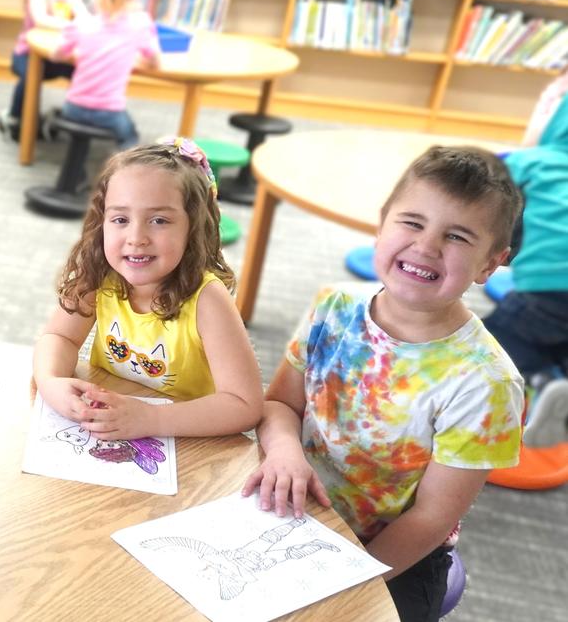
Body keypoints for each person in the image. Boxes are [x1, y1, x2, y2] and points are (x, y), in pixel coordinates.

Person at [243, 146, 525, 622]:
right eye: (412, 223)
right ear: (382, 223)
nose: (426, 246)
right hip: (292, 507)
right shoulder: (332, 305)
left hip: (393, 553)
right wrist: (285, 451)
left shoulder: (487, 382)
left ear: (489, 264)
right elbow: (279, 407)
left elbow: (431, 518)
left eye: (456, 236)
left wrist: (340, 581)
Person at [33, 139, 263, 439]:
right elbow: (59, 336)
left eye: (159, 220)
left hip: (187, 440)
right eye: (120, 219)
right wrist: (50, 381)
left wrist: (152, 419)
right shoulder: (101, 274)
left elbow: (245, 405)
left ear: (193, 228)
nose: (136, 237)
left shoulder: (209, 300)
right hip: (113, 422)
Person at [481, 69, 568, 448]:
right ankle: (556, 384)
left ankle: (481, 422)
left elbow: (497, 211)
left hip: (549, 287)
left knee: (494, 352)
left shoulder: (534, 162)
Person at [53, 0, 159, 149]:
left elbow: (57, 54)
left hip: (73, 108)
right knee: (130, 136)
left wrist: (78, 52)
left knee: (80, 134)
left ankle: (76, 168)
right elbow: (155, 60)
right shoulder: (139, 25)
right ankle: (121, 174)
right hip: (110, 113)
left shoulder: (82, 24)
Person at [0, 0, 87, 142]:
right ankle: (15, 116)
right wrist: (72, 25)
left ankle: (76, 118)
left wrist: (88, 23)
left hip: (57, 54)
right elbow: (40, 19)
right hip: (29, 53)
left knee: (83, 71)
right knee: (30, 76)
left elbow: (83, 13)